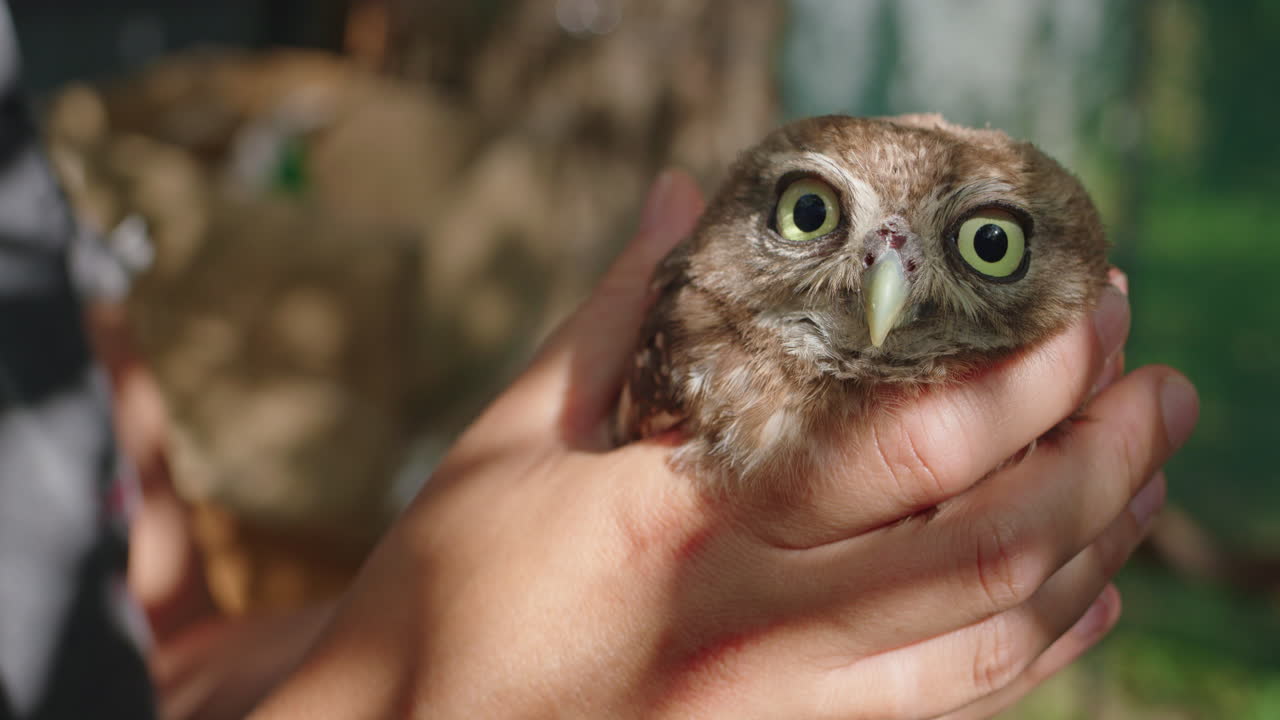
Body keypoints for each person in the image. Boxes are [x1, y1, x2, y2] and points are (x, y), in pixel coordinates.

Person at [0, 13, 1198, 720]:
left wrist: (439, 631)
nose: (885, 290)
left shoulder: (42, 270)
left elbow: (147, 665)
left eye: (988, 245)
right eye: (808, 217)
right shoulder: (702, 334)